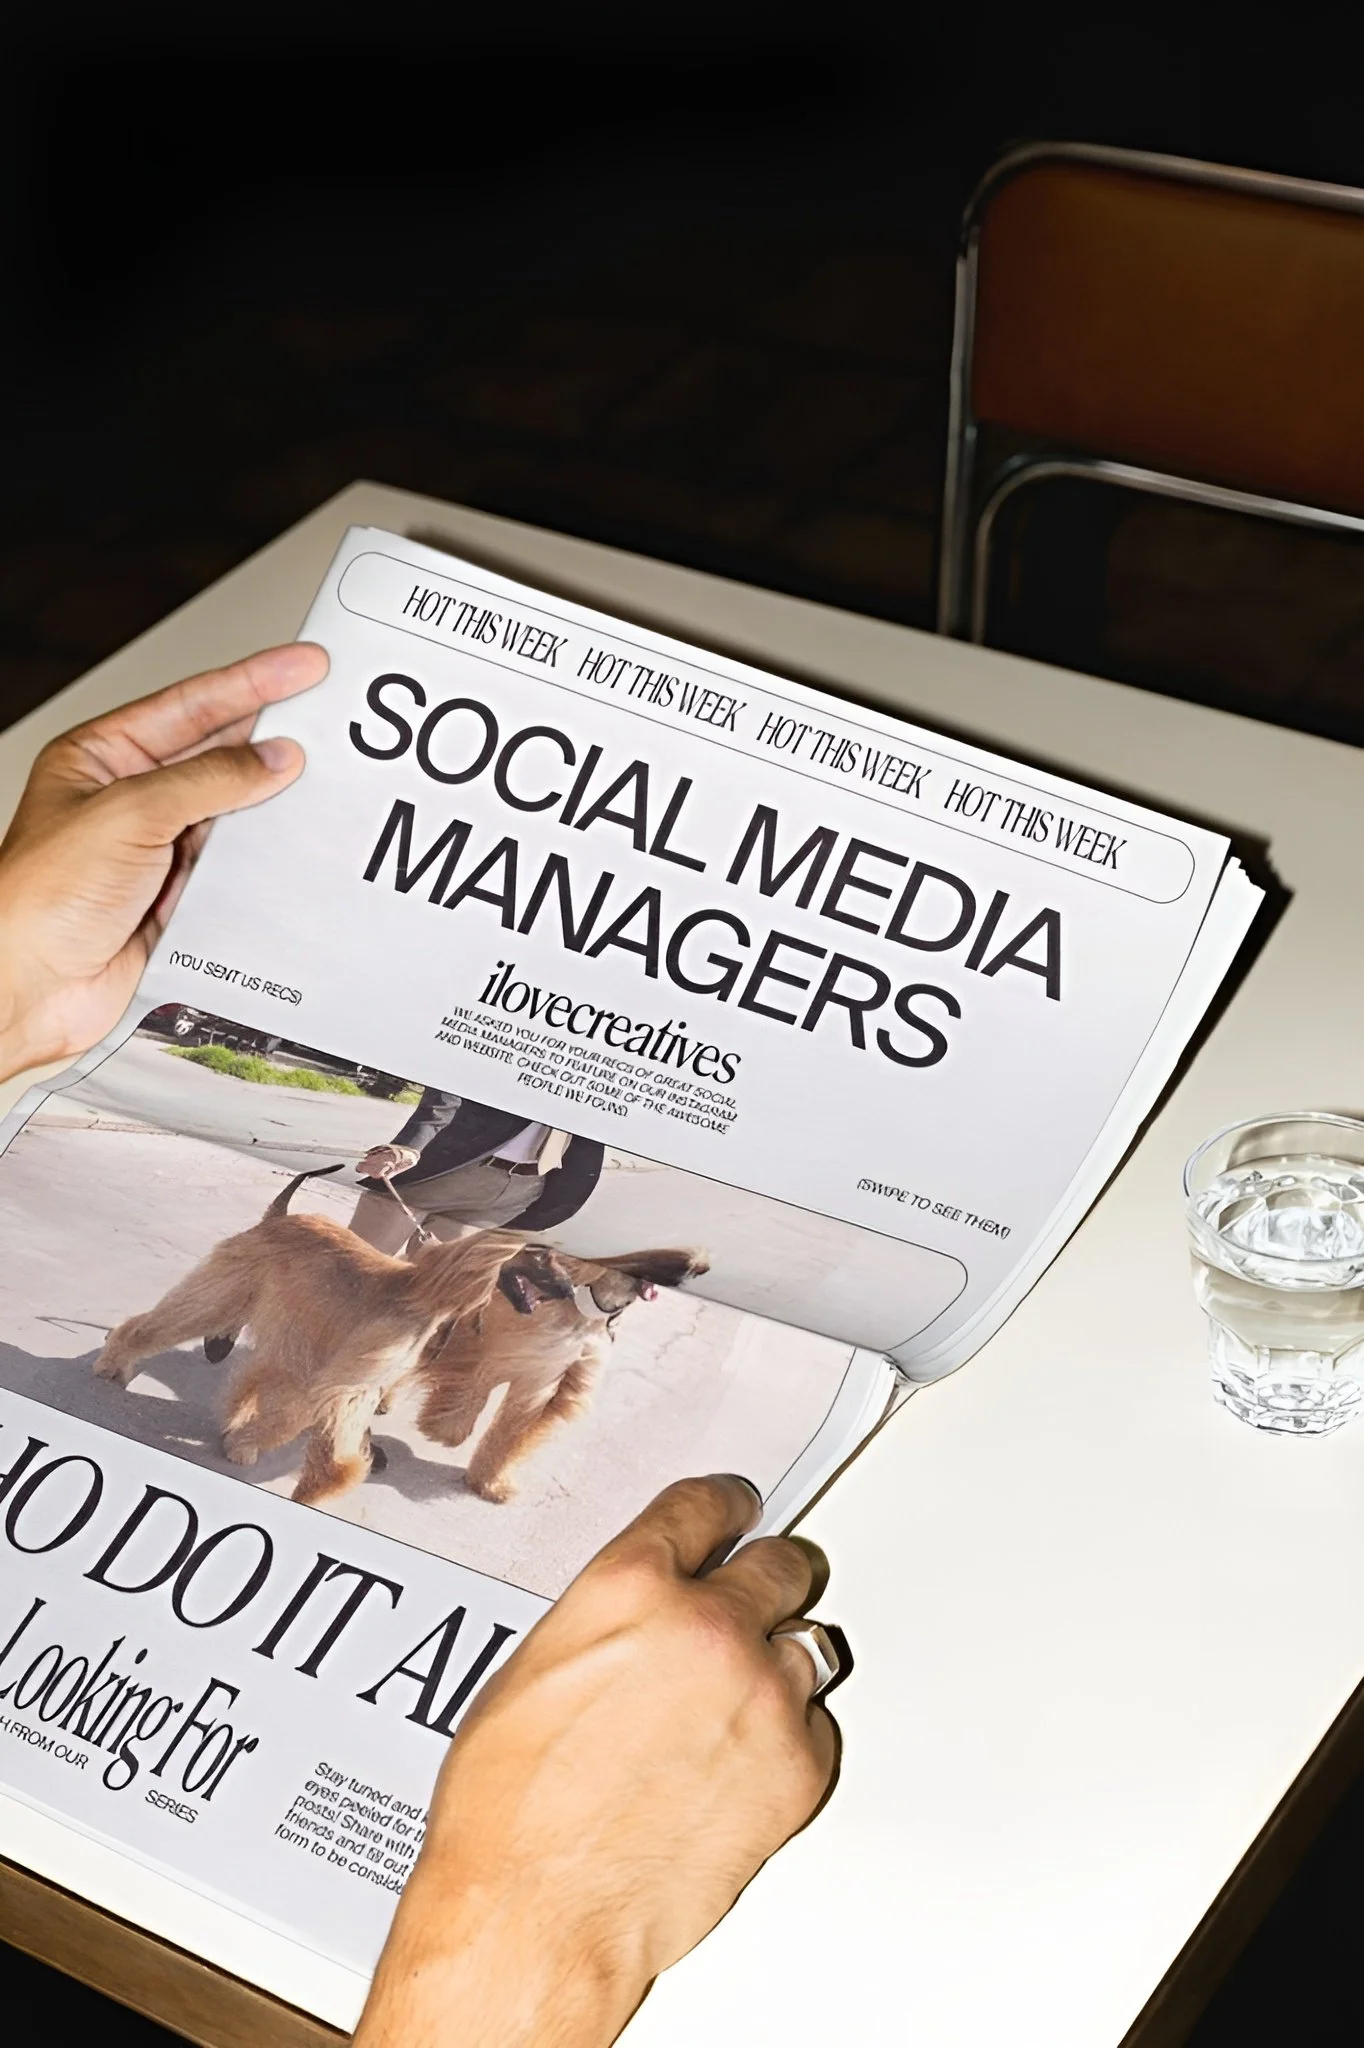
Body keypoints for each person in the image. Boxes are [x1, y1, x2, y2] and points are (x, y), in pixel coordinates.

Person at [0, 645, 844, 2047]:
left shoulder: (557, 1206)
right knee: (288, 1340)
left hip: (475, 1236)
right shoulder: (464, 1116)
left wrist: (16, 986)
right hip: (401, 1217)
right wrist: (525, 1922)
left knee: (393, 1358)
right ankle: (173, 1350)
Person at [353, 1088, 602, 1254]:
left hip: (514, 1193)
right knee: (356, 1269)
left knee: (429, 1293)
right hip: (444, 1172)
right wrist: (410, 1144)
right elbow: (453, 1075)